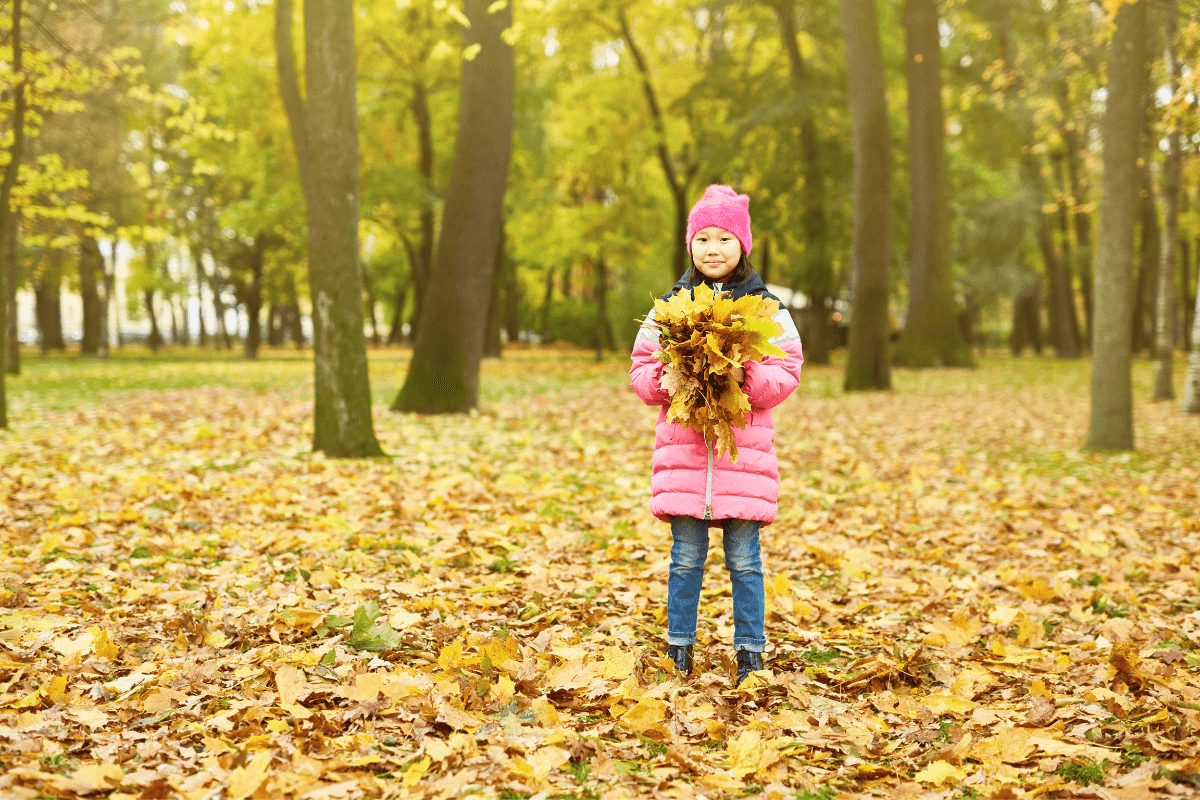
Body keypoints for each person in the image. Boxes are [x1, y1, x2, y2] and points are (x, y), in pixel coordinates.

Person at [629, 184, 804, 687]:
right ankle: (678, 649)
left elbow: (787, 371)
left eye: (724, 238)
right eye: (702, 237)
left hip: (742, 462)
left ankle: (751, 653)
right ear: (689, 245)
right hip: (684, 460)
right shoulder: (669, 308)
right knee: (685, 560)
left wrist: (745, 377)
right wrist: (673, 376)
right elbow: (641, 371)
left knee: (745, 563)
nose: (713, 249)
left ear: (743, 245)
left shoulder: (768, 310)